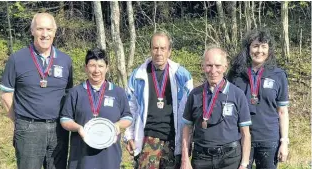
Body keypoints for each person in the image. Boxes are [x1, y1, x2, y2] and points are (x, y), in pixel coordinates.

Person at [0, 13, 73, 169]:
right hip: (28, 129)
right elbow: (6, 96)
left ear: (55, 31)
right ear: (32, 31)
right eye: (40, 29)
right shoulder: (17, 59)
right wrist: (22, 123)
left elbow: (68, 94)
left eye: (49, 29)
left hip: (59, 130)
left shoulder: (65, 60)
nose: (45, 34)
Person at [124, 31, 193, 169]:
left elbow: (190, 111)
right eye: (155, 48)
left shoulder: (182, 76)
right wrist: (128, 135)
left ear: (169, 51)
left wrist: (190, 140)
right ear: (150, 49)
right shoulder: (138, 75)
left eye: (163, 48)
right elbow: (130, 107)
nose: (159, 52)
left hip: (173, 138)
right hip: (148, 138)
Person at [60, 48, 133, 169]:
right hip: (81, 156)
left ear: (107, 68)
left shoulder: (118, 92)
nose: (96, 70)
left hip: (109, 156)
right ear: (86, 67)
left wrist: (118, 125)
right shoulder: (75, 92)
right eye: (92, 65)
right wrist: (78, 128)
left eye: (100, 66)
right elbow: (65, 119)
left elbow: (128, 117)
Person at [227, 29, 289, 169]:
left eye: (264, 46)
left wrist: (284, 141)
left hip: (269, 139)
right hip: (240, 138)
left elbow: (283, 111)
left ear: (269, 50)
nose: (259, 51)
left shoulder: (278, 75)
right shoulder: (235, 74)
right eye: (255, 46)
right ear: (248, 48)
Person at [181, 47, 252, 169]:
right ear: (203, 66)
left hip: (230, 158)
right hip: (201, 158)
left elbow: (245, 133)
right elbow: (187, 129)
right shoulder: (195, 94)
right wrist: (185, 159)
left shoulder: (238, 94)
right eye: (209, 65)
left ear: (225, 67)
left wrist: (244, 164)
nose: (213, 70)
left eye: (218, 66)